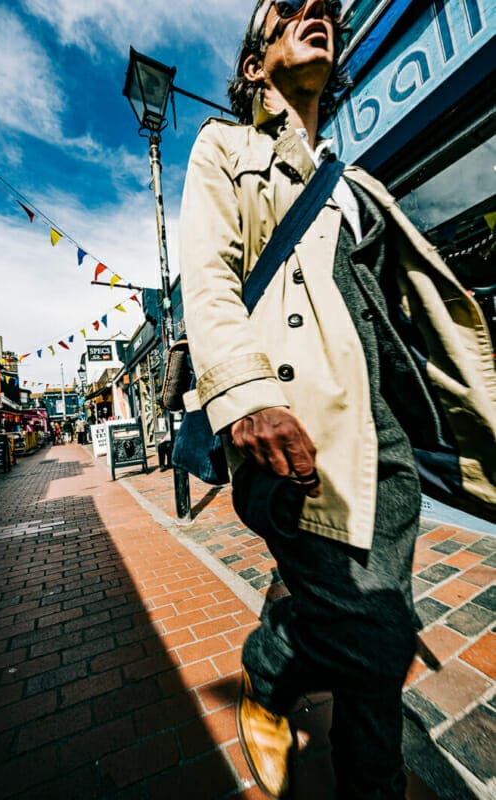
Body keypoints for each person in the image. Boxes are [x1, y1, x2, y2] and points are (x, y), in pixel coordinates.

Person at [179, 2, 496, 799]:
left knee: (378, 631)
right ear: (255, 65)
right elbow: (210, 282)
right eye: (288, 10)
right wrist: (246, 393)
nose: (313, 11)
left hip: (383, 431)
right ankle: (278, 664)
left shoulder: (358, 183)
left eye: (323, 9)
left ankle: (301, 681)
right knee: (380, 635)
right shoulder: (226, 148)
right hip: (298, 424)